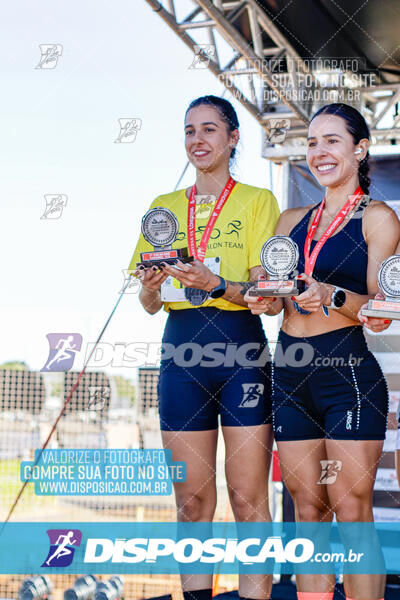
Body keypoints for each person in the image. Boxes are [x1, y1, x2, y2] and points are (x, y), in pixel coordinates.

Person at [245, 103, 400, 600]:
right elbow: (270, 301)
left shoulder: (377, 218)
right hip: (290, 373)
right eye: (312, 142)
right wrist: (263, 296)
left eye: (332, 140)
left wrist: (329, 294)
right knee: (306, 512)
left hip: (347, 373)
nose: (319, 152)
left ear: (359, 149)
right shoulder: (291, 219)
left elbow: (382, 308)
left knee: (351, 511)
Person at [128, 95, 281, 600]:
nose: (198, 139)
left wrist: (215, 284)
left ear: (233, 138)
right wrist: (151, 286)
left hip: (240, 353)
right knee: (191, 501)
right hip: (180, 356)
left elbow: (265, 295)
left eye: (210, 129)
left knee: (247, 497)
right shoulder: (163, 208)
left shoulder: (259, 201)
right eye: (190, 130)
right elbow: (150, 303)